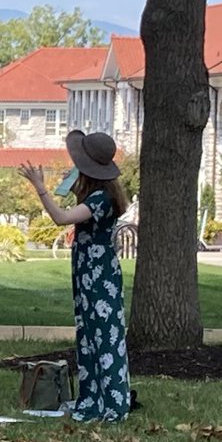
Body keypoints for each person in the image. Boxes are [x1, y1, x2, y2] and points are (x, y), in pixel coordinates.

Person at [20, 130, 131, 422]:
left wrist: (40, 188)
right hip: (87, 271)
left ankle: (113, 404)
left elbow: (62, 218)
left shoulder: (101, 199)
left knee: (105, 337)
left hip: (99, 274)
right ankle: (91, 398)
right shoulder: (97, 193)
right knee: (88, 336)